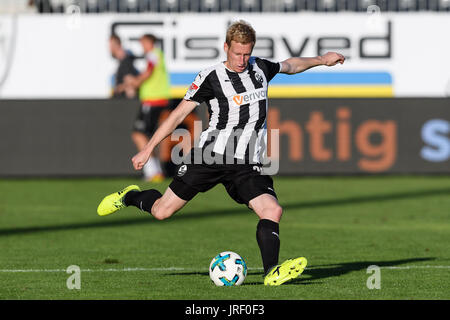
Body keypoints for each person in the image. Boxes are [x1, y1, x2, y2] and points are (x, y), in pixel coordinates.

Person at [97, 20, 345, 286]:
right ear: (226, 47)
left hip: (247, 163)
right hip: (210, 157)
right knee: (161, 211)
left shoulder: (260, 68)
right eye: (237, 53)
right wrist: (148, 148)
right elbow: (179, 113)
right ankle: (130, 196)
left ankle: (272, 272)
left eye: (247, 53)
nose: (242, 59)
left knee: (272, 210)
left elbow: (290, 65)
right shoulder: (210, 77)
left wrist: (321, 59)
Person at [125, 34, 171, 182]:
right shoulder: (157, 55)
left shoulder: (153, 54)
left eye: (143, 43)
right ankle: (155, 171)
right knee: (144, 135)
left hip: (153, 101)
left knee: (139, 134)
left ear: (149, 42)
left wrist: (135, 82)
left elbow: (149, 71)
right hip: (155, 100)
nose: (142, 46)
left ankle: (153, 171)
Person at [109, 34, 139, 99]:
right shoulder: (123, 61)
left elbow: (131, 84)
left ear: (116, 45)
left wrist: (118, 88)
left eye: (110, 45)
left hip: (123, 103)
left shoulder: (125, 62)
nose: (109, 48)